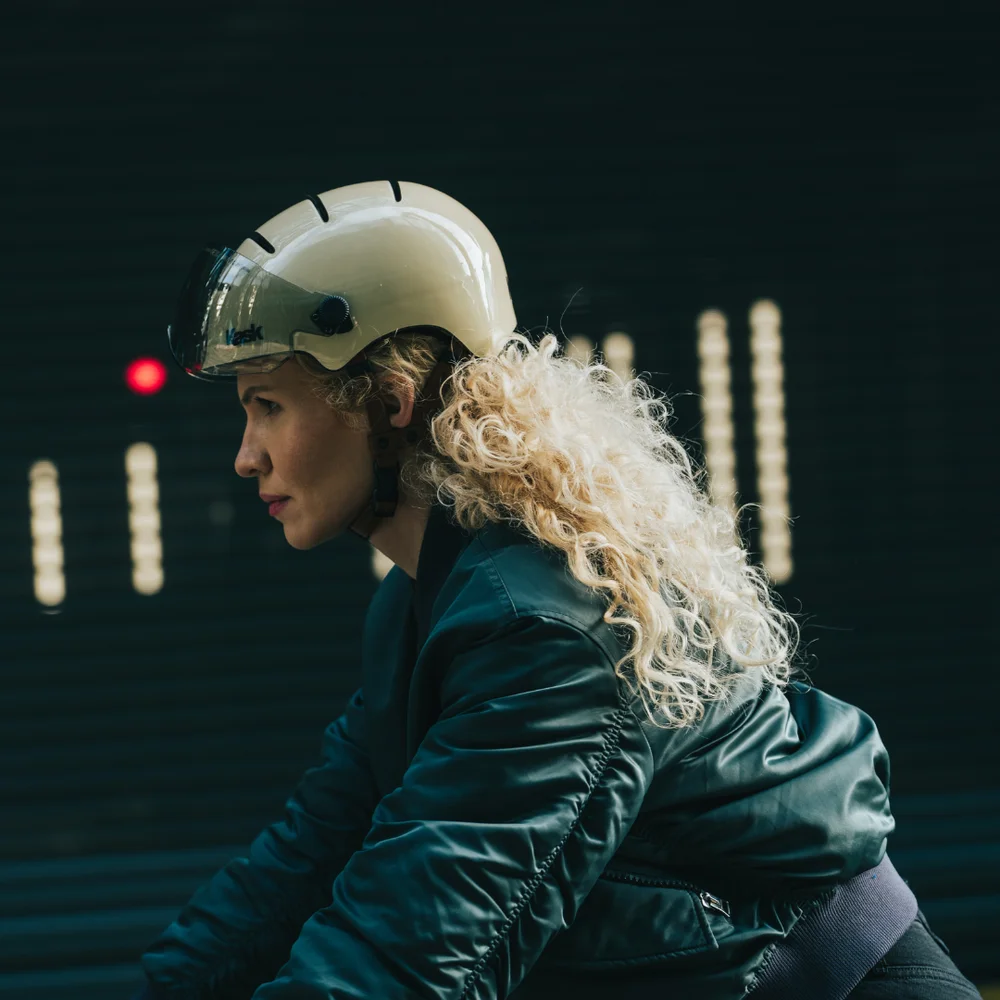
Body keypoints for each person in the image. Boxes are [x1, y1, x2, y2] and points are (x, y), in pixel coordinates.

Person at [133, 180, 981, 1000]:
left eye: (269, 406)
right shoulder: (424, 607)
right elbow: (306, 861)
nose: (246, 456)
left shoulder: (546, 619)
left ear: (389, 402)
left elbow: (413, 948)